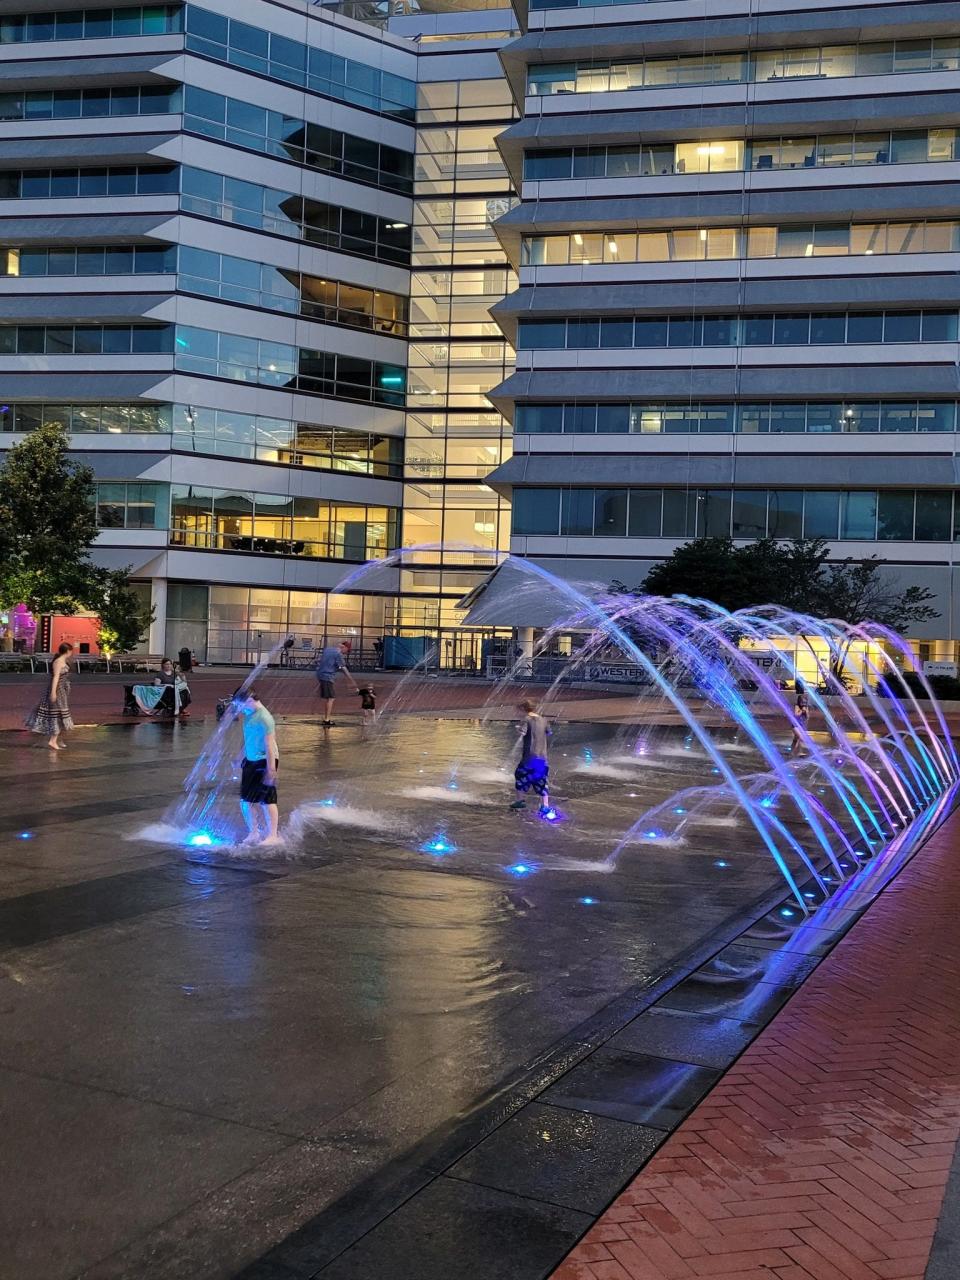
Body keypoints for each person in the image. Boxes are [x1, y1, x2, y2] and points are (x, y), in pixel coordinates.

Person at [235, 688, 281, 846]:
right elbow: (246, 738)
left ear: (249, 700)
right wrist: (240, 756)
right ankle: (253, 832)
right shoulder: (249, 715)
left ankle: (273, 835)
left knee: (267, 800)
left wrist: (271, 769)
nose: (239, 709)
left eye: (240, 705)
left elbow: (270, 745)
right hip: (250, 760)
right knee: (245, 800)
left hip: (264, 761)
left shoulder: (265, 718)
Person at [26, 642, 74, 749]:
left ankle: (57, 739)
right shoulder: (58, 662)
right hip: (57, 691)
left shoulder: (63, 661)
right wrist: (53, 692)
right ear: (68, 651)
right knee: (56, 714)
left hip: (62, 691)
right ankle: (53, 740)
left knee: (61, 714)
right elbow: (55, 677)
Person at [510, 698, 552, 815]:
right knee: (542, 780)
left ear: (523, 709)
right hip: (542, 757)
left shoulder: (526, 719)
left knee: (520, 775)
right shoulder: (543, 719)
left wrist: (519, 729)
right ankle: (545, 805)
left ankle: (520, 800)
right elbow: (549, 732)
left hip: (529, 757)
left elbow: (523, 732)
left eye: (518, 711)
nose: (517, 713)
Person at [315, 640, 358, 726]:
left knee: (329, 697)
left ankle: (326, 718)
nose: (346, 653)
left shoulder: (328, 649)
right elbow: (343, 668)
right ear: (344, 647)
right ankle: (327, 720)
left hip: (321, 674)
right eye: (347, 651)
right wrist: (352, 681)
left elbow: (319, 660)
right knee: (331, 698)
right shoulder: (338, 654)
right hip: (327, 676)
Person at [788, 682, 810, 757]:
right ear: (799, 701)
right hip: (795, 725)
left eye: (804, 702)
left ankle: (791, 752)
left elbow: (807, 717)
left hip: (800, 725)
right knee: (801, 738)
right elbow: (796, 715)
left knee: (796, 739)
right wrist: (801, 711)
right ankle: (799, 752)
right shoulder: (797, 706)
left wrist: (806, 711)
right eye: (802, 702)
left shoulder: (806, 707)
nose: (803, 703)